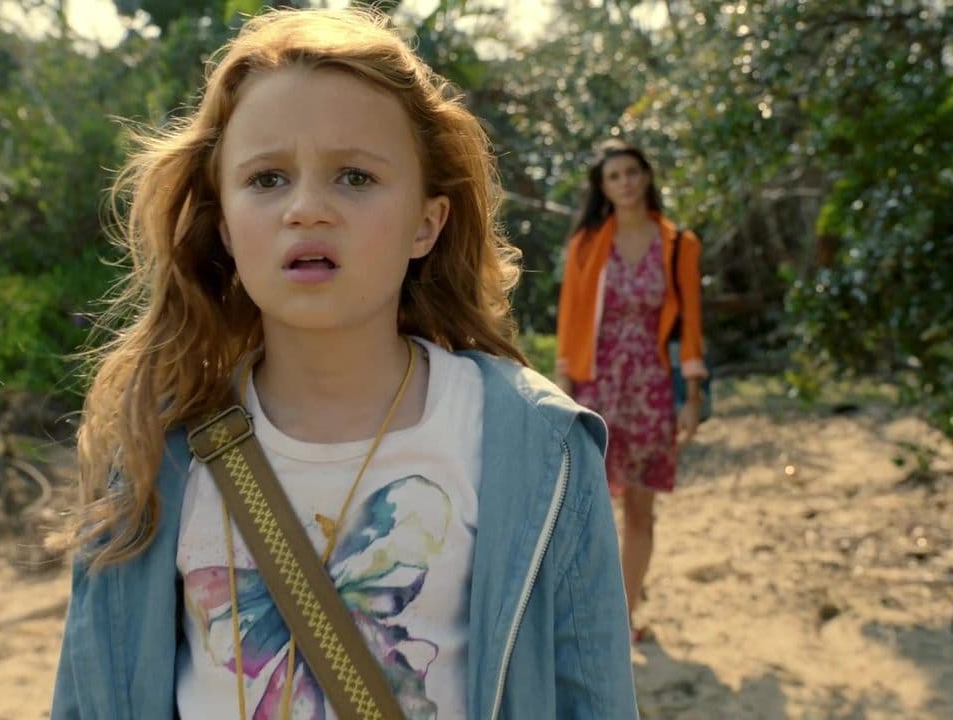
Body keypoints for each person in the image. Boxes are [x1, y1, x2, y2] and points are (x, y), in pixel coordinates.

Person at [50, 8, 636, 720]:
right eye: (267, 178)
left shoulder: (538, 447)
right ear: (226, 227)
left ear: (427, 223)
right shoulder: (154, 448)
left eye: (355, 176)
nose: (306, 208)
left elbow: (592, 698)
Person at [555, 139, 708, 643]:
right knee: (586, 507)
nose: (625, 183)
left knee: (641, 510)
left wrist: (692, 396)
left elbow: (691, 324)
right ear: (603, 188)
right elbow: (570, 318)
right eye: (614, 176)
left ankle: (622, 619)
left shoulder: (678, 244)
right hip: (595, 388)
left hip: (651, 390)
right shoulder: (586, 245)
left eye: (631, 172)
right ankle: (584, 616)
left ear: (646, 176)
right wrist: (564, 387)